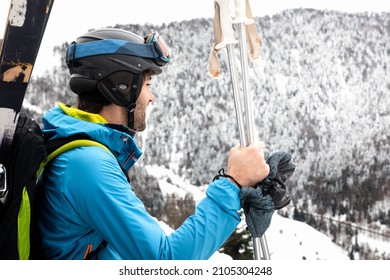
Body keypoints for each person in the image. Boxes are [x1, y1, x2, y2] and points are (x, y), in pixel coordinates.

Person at [37, 28, 270, 260]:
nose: (151, 97)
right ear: (121, 86)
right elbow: (165, 262)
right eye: (148, 84)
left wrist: (237, 192)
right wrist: (233, 183)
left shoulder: (79, 150)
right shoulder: (87, 165)